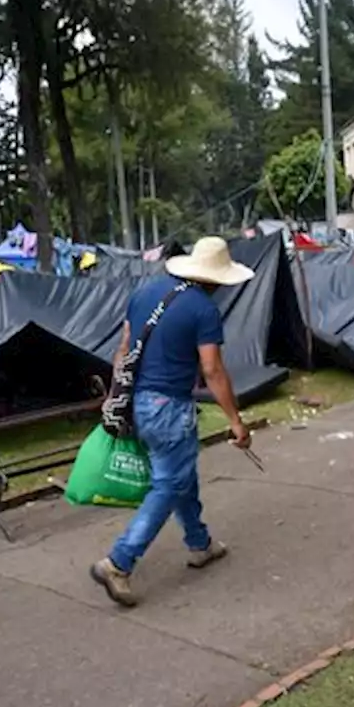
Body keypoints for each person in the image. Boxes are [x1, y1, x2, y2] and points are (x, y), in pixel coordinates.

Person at [91, 236, 254, 607]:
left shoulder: (145, 294)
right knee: (168, 483)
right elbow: (211, 369)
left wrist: (122, 399)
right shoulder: (203, 310)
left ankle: (200, 543)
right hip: (170, 408)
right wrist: (236, 421)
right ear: (215, 279)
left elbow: (124, 350)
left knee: (180, 475)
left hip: (140, 403)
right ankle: (119, 561)